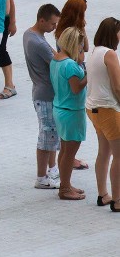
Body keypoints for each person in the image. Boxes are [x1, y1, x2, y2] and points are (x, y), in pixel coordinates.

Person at [23, 3, 62, 190]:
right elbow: (58, 61)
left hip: (43, 92)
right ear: (42, 20)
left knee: (52, 135)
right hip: (45, 95)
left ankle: (52, 169)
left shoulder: (29, 34)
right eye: (53, 24)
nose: (54, 28)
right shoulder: (38, 42)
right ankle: (41, 177)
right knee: (46, 136)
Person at [85, 17, 120, 209]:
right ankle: (118, 199)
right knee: (119, 155)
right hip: (108, 108)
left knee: (104, 152)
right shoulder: (110, 54)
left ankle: (103, 194)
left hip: (92, 108)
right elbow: (117, 86)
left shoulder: (94, 52)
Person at [51, 27, 88, 200]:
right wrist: (88, 75)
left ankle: (65, 183)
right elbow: (76, 88)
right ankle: (65, 188)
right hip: (72, 111)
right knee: (69, 153)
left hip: (60, 108)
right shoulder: (70, 65)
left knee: (64, 150)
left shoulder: (56, 60)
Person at [55, 0, 91, 171]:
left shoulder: (62, 29)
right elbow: (84, 51)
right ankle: (66, 184)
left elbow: (85, 49)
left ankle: (65, 177)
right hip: (74, 74)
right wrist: (89, 73)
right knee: (69, 145)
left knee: (65, 144)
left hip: (61, 102)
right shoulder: (71, 34)